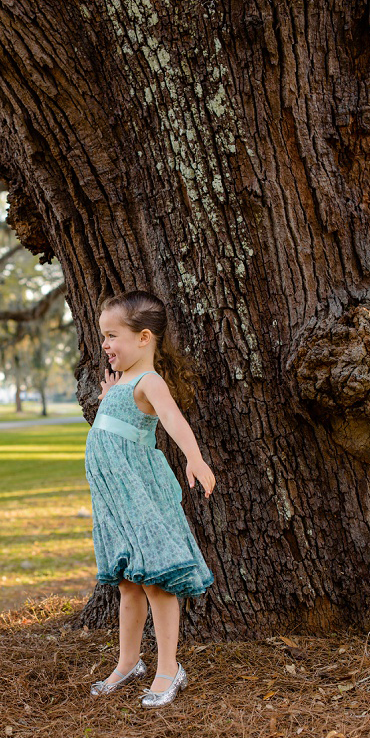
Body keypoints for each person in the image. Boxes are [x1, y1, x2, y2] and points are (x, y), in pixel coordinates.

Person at [85, 290, 217, 708]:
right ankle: (128, 662)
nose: (105, 345)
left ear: (144, 338)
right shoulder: (122, 382)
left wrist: (195, 460)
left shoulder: (149, 381)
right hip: (114, 499)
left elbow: (173, 420)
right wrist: (108, 397)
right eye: (102, 336)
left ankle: (168, 668)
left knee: (157, 582)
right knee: (127, 583)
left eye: (112, 336)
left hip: (140, 494)